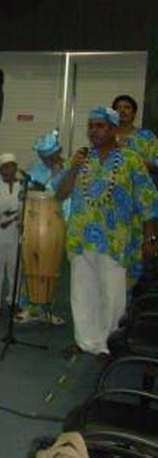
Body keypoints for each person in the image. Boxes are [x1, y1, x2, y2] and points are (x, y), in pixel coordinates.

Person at [55, 106, 158, 359]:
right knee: (81, 291)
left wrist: (150, 237)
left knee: (112, 294)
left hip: (115, 238)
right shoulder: (81, 158)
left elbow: (148, 200)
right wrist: (73, 169)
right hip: (80, 237)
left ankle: (108, 343)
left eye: (100, 126)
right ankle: (84, 340)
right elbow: (61, 193)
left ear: (113, 129)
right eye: (91, 126)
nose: (94, 131)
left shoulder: (131, 159)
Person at [13, 130, 68, 325]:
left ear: (58, 151)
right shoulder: (34, 168)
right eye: (43, 156)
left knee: (52, 266)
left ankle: (46, 309)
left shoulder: (69, 168)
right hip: (35, 222)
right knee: (31, 264)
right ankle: (28, 307)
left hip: (58, 223)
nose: (46, 160)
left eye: (50, 156)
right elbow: (23, 194)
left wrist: (56, 175)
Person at [0, 153, 22, 311]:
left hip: (16, 230)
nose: (8, 170)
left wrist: (15, 218)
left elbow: (23, 209)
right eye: (4, 167)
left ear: (16, 168)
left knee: (15, 266)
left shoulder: (22, 186)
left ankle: (14, 299)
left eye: (11, 166)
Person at [111, 94, 158, 185]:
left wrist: (136, 161)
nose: (122, 110)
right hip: (112, 192)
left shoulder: (147, 136)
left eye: (127, 107)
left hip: (142, 191)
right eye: (118, 107)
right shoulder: (106, 137)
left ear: (134, 113)